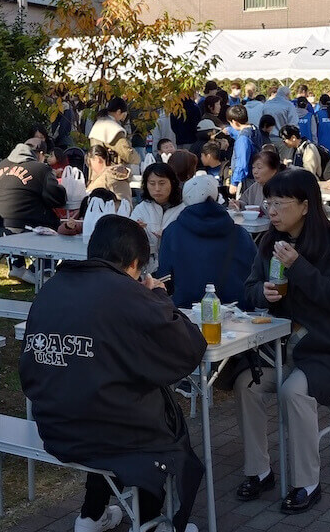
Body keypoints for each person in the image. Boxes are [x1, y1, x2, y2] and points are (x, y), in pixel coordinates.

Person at [20, 215, 206, 532]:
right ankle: (151, 520)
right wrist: (158, 295)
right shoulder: (128, 293)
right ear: (135, 262)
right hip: (111, 431)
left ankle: (92, 514)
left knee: (102, 395)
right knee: (148, 413)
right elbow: (189, 346)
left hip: (55, 426)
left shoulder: (52, 288)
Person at [240, 169, 330, 514]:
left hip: (322, 350)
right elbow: (247, 291)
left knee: (293, 391)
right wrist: (264, 292)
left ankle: (307, 483)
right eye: (268, 202)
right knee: (247, 385)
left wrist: (299, 266)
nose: (271, 211)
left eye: (279, 203)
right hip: (277, 350)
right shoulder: (266, 242)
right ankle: (259, 472)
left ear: (305, 206)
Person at [0, 138, 67, 284]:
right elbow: (57, 199)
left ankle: (17, 265)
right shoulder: (41, 169)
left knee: (19, 214)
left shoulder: (3, 165)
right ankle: (41, 271)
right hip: (18, 229)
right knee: (53, 226)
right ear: (41, 154)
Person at [156, 175, 256, 308]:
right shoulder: (240, 233)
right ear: (215, 197)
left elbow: (165, 277)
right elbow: (254, 271)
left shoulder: (172, 232)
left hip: (188, 309)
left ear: (185, 199)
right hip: (238, 309)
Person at [130, 164, 185, 273]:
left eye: (162, 183)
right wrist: (136, 231)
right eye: (152, 183)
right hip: (147, 269)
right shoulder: (141, 209)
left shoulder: (184, 209)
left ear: (172, 183)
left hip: (178, 267)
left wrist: (169, 235)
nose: (157, 188)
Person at [89, 98, 140, 166]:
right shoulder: (114, 129)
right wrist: (137, 158)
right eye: (124, 113)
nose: (125, 116)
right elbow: (127, 154)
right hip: (111, 171)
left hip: (96, 167)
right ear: (118, 112)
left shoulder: (98, 123)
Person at [226, 105, 259, 196]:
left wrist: (235, 182)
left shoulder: (243, 139)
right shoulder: (254, 129)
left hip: (246, 180)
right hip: (256, 176)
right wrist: (230, 130)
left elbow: (242, 163)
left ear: (234, 122)